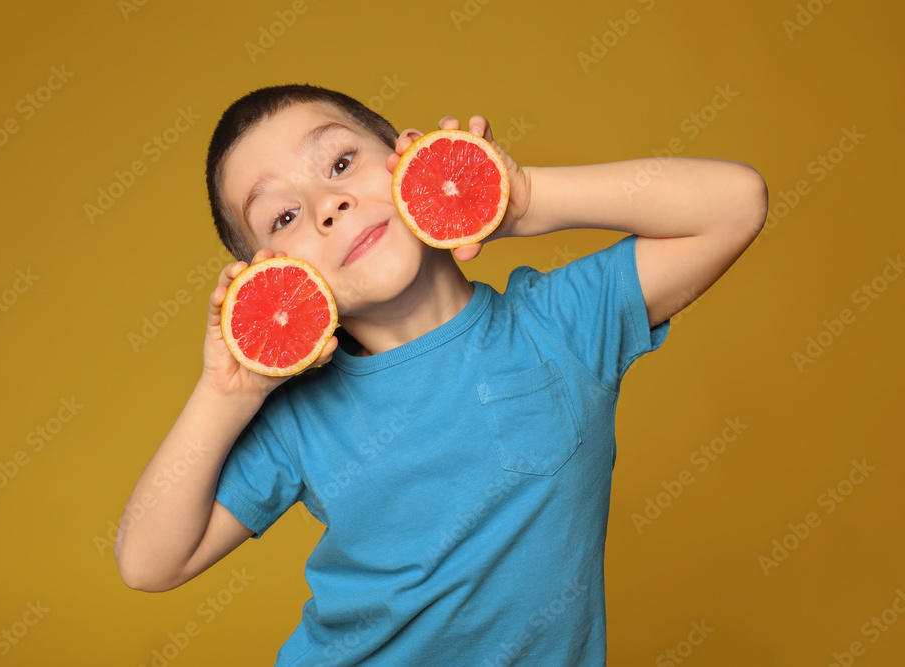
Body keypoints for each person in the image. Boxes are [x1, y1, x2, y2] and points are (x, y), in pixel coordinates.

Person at [115, 83, 768, 665]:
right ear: (270, 277)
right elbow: (147, 561)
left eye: (341, 163)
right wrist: (226, 392)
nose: (330, 205)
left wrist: (530, 199)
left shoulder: (562, 325)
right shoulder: (298, 416)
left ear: (406, 155)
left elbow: (736, 204)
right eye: (283, 217)